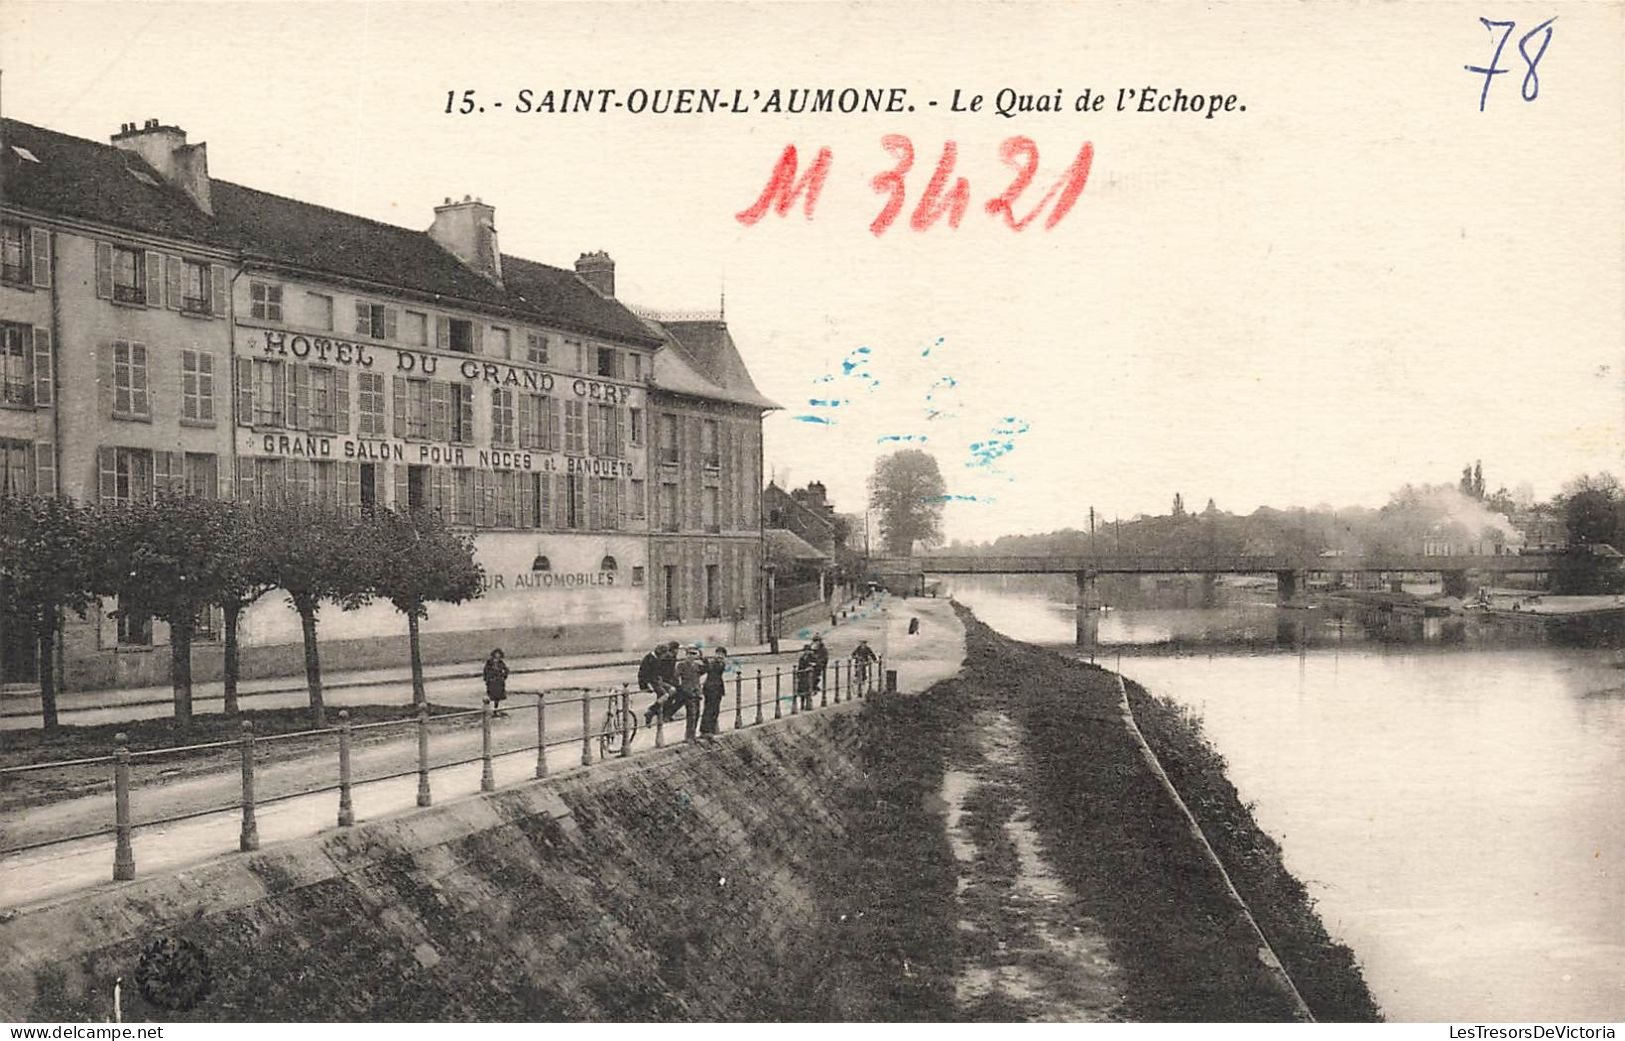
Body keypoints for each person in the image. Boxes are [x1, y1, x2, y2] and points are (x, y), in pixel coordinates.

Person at [640, 643, 675, 725]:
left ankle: (654, 710)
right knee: (665, 695)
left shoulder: (655, 658)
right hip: (650, 681)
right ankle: (651, 710)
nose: (664, 658)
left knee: (672, 690)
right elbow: (643, 674)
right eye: (664, 655)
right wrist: (646, 685)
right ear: (661, 653)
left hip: (656, 680)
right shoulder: (650, 659)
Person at [675, 646, 705, 740]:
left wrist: (702, 657)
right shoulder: (682, 665)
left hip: (696, 692)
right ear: (686, 655)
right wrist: (682, 688)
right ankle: (689, 736)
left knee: (697, 713)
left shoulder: (697, 666)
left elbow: (707, 668)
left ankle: (693, 735)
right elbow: (676, 676)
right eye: (690, 654)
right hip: (688, 693)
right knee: (691, 714)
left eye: (693, 654)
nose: (691, 656)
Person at [700, 647, 728, 738]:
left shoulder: (721, 664)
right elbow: (709, 668)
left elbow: (713, 668)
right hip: (710, 688)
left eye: (721, 654)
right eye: (718, 654)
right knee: (709, 709)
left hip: (717, 689)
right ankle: (705, 730)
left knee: (715, 709)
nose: (719, 656)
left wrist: (705, 660)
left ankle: (711, 729)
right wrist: (704, 660)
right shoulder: (715, 663)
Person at [482, 648, 509, 714]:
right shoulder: (489, 662)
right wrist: (487, 679)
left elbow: (506, 670)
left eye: (499, 654)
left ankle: (496, 709)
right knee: (490, 695)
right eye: (496, 654)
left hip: (499, 682)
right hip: (491, 682)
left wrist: (503, 676)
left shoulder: (501, 663)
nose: (497, 655)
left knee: (497, 697)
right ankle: (487, 708)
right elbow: (485, 671)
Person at [795, 644, 817, 710]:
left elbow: (816, 665)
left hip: (808, 676)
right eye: (805, 650)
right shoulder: (802, 657)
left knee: (808, 690)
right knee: (802, 691)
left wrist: (811, 667)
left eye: (808, 650)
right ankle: (802, 704)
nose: (806, 652)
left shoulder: (812, 657)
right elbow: (800, 666)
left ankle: (809, 705)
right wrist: (798, 674)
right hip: (802, 676)